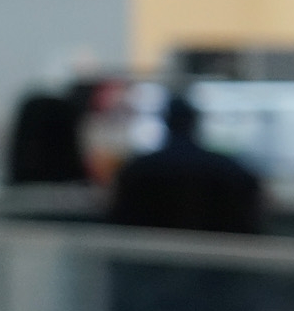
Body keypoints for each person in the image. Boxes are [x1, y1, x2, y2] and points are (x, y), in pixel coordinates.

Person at [108, 94, 263, 234]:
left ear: (166, 122)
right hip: (216, 259)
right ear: (195, 122)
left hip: (149, 257)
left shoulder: (137, 169)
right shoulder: (228, 169)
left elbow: (120, 221)